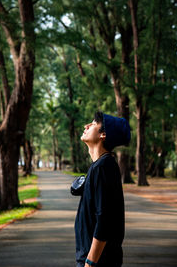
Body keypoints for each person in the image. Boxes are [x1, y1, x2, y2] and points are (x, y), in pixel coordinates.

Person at [74, 111, 131, 267]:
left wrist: (90, 262)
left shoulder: (103, 167)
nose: (86, 126)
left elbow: (104, 220)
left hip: (99, 261)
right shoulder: (100, 166)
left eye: (92, 124)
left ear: (103, 135)